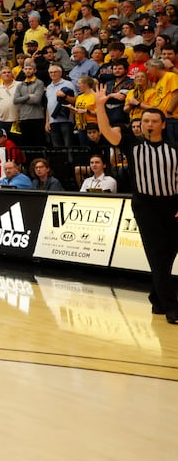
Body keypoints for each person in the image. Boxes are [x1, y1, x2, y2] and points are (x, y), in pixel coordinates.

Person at [94, 88, 178, 323]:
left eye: (154, 121)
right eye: (145, 121)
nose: (149, 124)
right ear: (140, 124)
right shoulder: (132, 144)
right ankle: (172, 308)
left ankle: (157, 299)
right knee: (158, 254)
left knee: (168, 254)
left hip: (172, 205)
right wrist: (100, 106)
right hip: (145, 206)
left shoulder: (174, 148)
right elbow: (107, 132)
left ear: (162, 124)